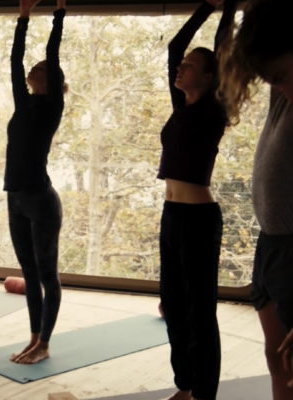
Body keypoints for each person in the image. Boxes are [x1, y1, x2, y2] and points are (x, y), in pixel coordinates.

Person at [156, 0, 238, 399]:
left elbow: (223, 48)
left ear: (209, 77)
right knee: (173, 306)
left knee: (199, 312)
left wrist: (228, 8)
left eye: (190, 66)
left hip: (199, 220)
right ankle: (185, 387)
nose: (180, 67)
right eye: (182, 65)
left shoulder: (213, 107)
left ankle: (205, 394)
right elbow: (175, 48)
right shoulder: (182, 107)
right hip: (171, 215)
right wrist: (204, 6)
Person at [218, 0, 293, 398]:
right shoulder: (284, 94)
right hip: (270, 244)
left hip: (291, 247)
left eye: (280, 77)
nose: (281, 89)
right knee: (276, 357)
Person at [5, 0, 68, 365]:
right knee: (29, 274)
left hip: (41, 202)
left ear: (54, 80)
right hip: (15, 197)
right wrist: (23, 19)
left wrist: (58, 15)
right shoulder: (24, 103)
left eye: (42, 68)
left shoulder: (52, 106)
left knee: (46, 275)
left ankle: (45, 344)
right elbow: (15, 62)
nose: (34, 68)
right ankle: (33, 339)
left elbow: (52, 52)